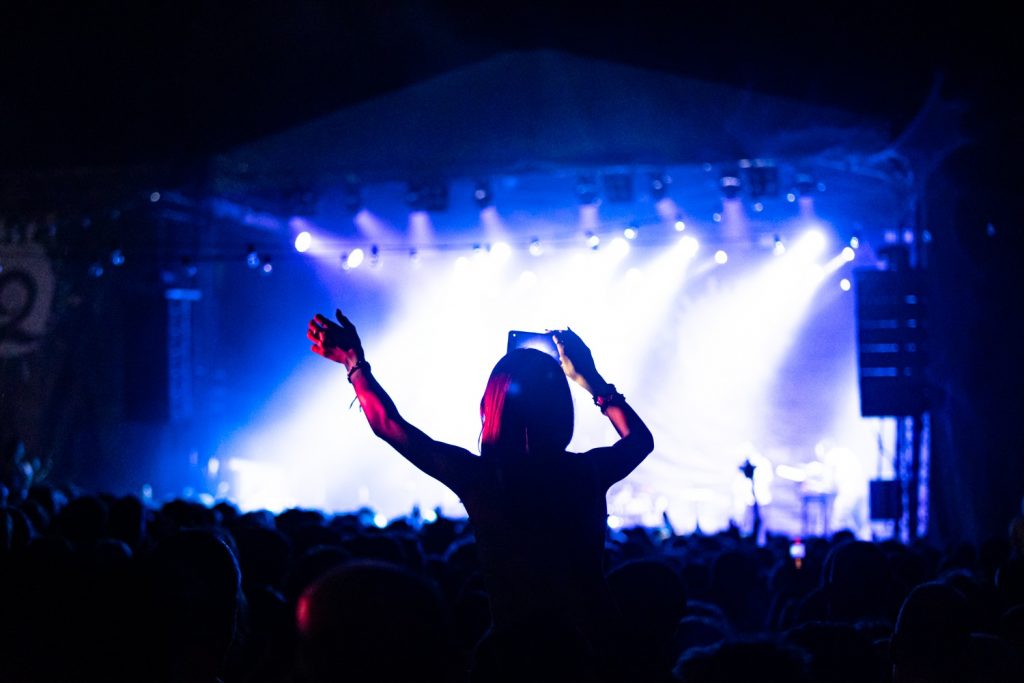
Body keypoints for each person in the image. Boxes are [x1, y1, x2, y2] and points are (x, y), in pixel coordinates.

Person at [307, 310, 654, 658]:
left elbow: (387, 424)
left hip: (517, 654)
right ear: (560, 409)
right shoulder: (587, 472)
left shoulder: (481, 479)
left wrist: (354, 363)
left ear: (493, 405)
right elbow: (640, 440)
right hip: (597, 648)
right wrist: (591, 379)